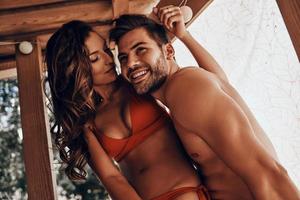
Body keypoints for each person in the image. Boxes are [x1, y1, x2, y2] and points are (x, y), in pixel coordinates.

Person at [110, 6, 300, 200]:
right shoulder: (192, 84)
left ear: (168, 51)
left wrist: (183, 16)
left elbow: (268, 173)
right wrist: (185, 35)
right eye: (123, 58)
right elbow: (221, 80)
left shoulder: (185, 91)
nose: (131, 63)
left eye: (141, 50)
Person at [44, 6, 220, 200]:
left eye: (106, 50)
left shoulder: (136, 82)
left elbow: (215, 84)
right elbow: (112, 178)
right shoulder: (86, 122)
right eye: (95, 58)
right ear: (74, 70)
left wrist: (185, 33)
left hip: (186, 193)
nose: (108, 59)